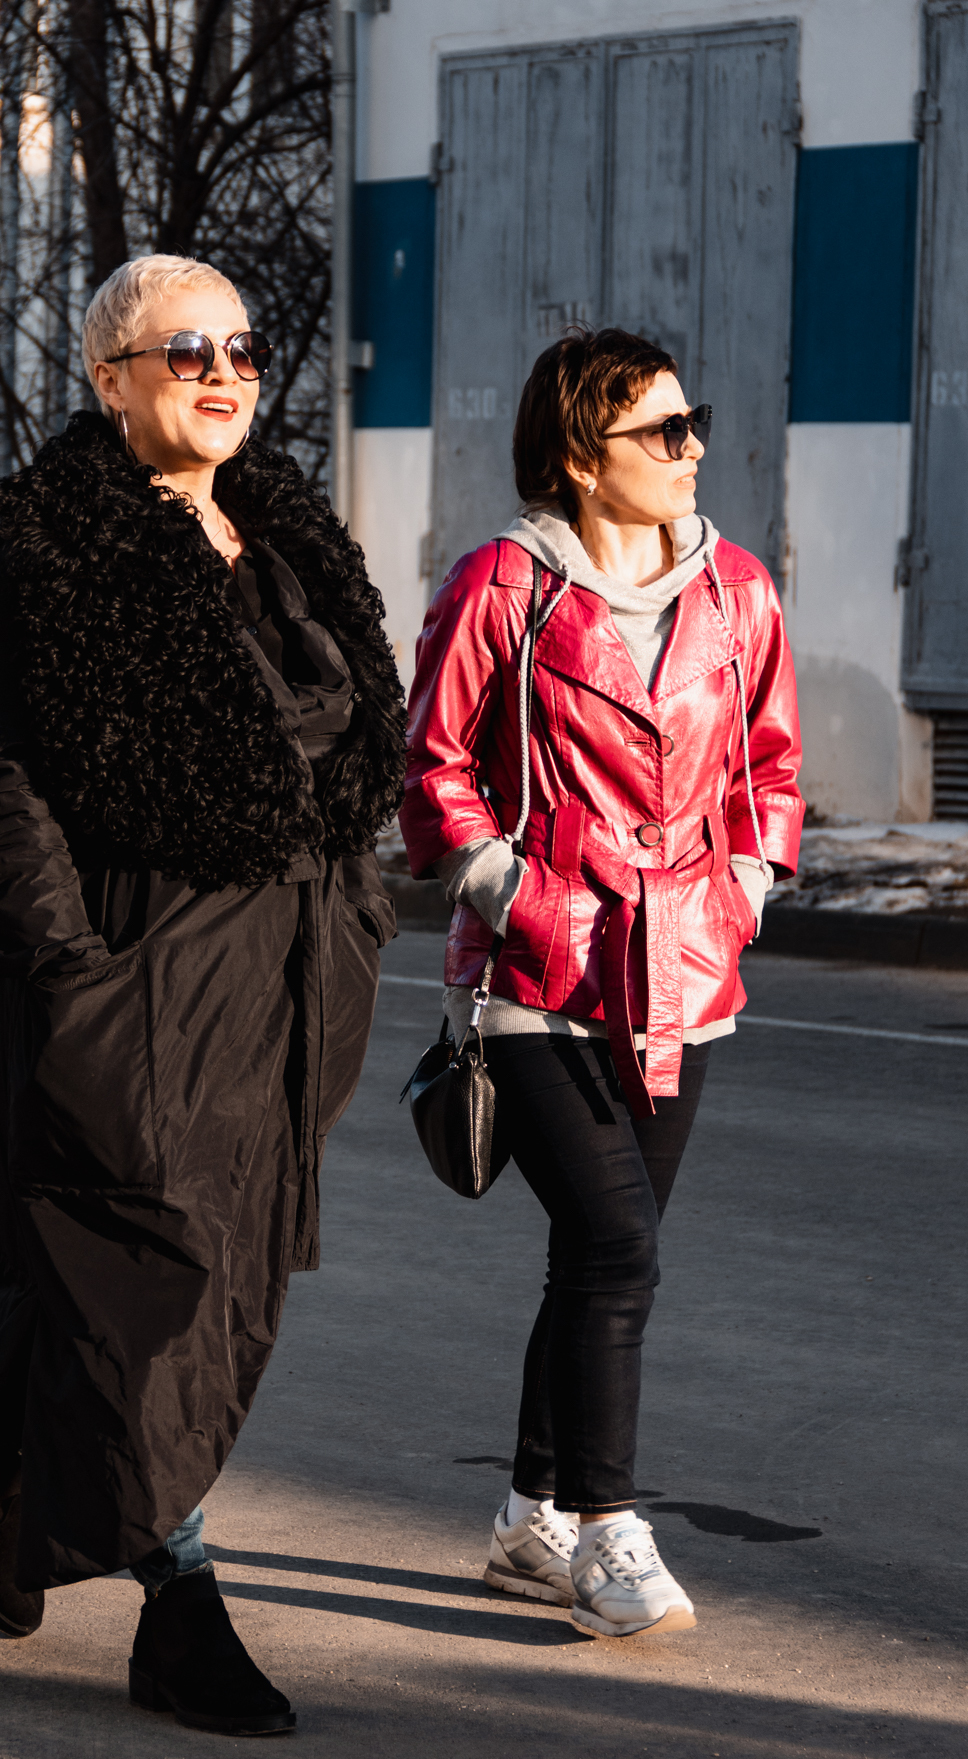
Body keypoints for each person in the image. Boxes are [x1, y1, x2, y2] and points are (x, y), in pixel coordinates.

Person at [0, 254, 406, 1730]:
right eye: (184, 349)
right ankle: (178, 1603)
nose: (222, 373)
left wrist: (359, 915)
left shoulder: (288, 543)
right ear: (110, 377)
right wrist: (72, 977)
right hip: (134, 973)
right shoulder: (46, 557)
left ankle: (2, 1477)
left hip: (286, 984)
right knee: (154, 1283)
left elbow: (346, 759)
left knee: (213, 1282)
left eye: (243, 350)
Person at [400, 326, 803, 1637]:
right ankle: (612, 1534)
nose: (693, 450)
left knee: (596, 1255)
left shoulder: (739, 592)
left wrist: (744, 893)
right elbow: (433, 773)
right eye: (663, 431)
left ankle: (533, 1518)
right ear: (583, 456)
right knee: (620, 1245)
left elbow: (771, 768)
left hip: (686, 969)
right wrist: (520, 899)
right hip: (537, 974)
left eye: (694, 423)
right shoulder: (502, 588)